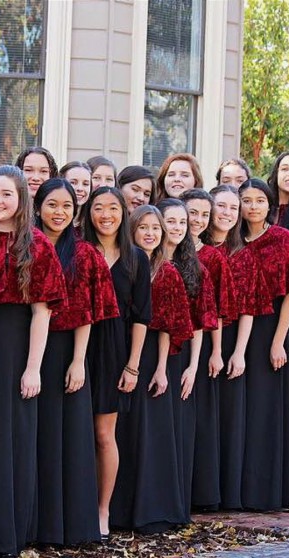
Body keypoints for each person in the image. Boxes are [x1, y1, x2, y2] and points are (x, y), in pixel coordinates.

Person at [0, 165, 67, 556]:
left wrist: (32, 368)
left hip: (15, 349)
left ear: (21, 199)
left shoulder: (37, 245)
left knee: (11, 441)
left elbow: (42, 312)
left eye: (6, 194)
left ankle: (7, 533)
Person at [33, 178, 119, 545]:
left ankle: (68, 522)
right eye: (52, 204)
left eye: (67, 206)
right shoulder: (27, 245)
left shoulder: (84, 254)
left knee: (67, 437)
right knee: (35, 436)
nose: (59, 212)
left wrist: (78, 362)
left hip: (68, 350)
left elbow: (87, 311)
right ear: (38, 207)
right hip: (27, 350)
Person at [111, 204, 193, 533]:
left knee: (150, 434)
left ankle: (152, 510)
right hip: (121, 351)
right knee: (123, 432)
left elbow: (169, 327)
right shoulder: (124, 264)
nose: (149, 233)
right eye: (143, 227)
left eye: (155, 228)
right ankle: (119, 509)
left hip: (152, 360)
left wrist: (160, 368)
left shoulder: (167, 271)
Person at [238, 177, 289, 511]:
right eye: (246, 200)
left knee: (265, 412)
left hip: (270, 329)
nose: (252, 206)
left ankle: (265, 492)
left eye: (259, 200)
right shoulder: (231, 239)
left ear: (270, 205)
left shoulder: (283, 240)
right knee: (239, 412)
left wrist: (279, 340)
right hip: (234, 330)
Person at [82, 186, 151, 539]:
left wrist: (133, 365)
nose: (106, 214)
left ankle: (102, 509)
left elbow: (141, 316)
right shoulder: (78, 250)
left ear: (124, 213)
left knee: (102, 434)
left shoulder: (136, 257)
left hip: (115, 350)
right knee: (73, 433)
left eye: (113, 207)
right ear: (88, 212)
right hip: (75, 345)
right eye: (98, 207)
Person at [202, 184, 264, 509]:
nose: (226, 213)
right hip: (200, 338)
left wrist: (239, 352)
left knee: (228, 418)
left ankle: (224, 493)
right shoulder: (195, 248)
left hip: (231, 342)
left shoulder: (244, 255)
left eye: (232, 208)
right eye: (221, 206)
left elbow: (250, 308)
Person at [157, 197, 217, 518]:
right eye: (172, 221)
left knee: (178, 429)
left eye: (183, 222)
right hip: (149, 354)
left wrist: (193, 367)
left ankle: (174, 504)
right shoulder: (142, 262)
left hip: (181, 360)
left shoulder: (197, 269)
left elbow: (200, 323)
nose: (179, 228)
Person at [180, 188, 237, 511]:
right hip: (164, 342)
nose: (198, 220)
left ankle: (196, 493)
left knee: (197, 417)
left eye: (204, 214)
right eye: (193, 213)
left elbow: (215, 311)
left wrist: (215, 353)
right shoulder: (162, 248)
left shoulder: (213, 258)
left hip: (199, 346)